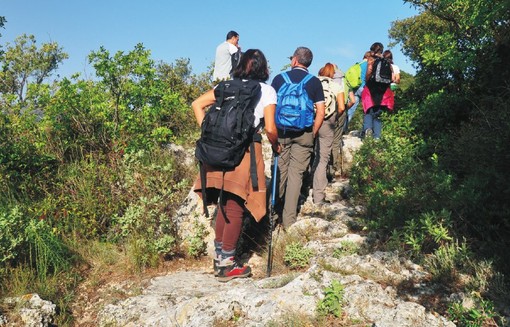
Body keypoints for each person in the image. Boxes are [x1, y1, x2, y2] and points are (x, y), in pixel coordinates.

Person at [192, 49, 280, 281]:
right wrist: (277, 145)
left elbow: (197, 104)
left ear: (240, 64)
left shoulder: (226, 86)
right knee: (235, 205)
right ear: (263, 68)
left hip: (216, 150)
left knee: (223, 201)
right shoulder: (266, 91)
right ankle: (227, 265)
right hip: (245, 151)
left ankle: (220, 257)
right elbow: (270, 128)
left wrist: (208, 132)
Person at [271, 47, 325, 228]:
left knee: (280, 172)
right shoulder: (314, 82)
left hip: (282, 133)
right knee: (296, 176)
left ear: (294, 60)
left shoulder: (279, 79)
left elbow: (270, 108)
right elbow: (321, 111)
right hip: (304, 134)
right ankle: (289, 221)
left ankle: (271, 213)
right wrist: (313, 132)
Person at [312, 63, 345, 204]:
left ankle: (305, 185)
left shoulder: (312, 82)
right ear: (333, 74)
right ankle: (318, 196)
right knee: (322, 158)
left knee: (308, 153)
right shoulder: (337, 86)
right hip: (328, 121)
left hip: (311, 119)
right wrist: (335, 118)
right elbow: (342, 107)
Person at [361, 42, 394, 139]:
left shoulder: (371, 60)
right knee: (378, 115)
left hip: (371, 90)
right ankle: (377, 137)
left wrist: (367, 79)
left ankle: (367, 129)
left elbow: (368, 74)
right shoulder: (387, 61)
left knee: (368, 111)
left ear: (372, 50)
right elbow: (392, 78)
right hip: (383, 92)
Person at [331, 65, 354, 177]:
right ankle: (333, 167)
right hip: (341, 109)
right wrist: (345, 109)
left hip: (327, 109)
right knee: (336, 141)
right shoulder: (345, 81)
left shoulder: (327, 80)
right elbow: (353, 100)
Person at [344, 51, 371, 132]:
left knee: (350, 110)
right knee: (368, 109)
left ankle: (343, 129)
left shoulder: (357, 64)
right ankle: (366, 129)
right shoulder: (368, 65)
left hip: (355, 87)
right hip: (364, 88)